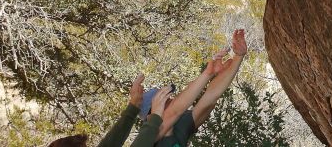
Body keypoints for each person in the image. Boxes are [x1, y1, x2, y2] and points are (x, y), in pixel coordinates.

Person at [96, 29, 248, 147]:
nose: (174, 100)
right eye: (165, 102)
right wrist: (207, 74)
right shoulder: (150, 140)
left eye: (169, 98)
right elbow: (173, 112)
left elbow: (210, 98)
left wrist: (238, 57)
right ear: (151, 117)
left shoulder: (180, 125)